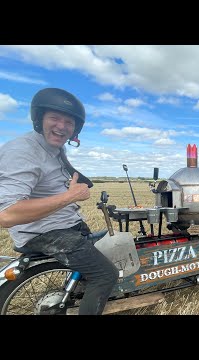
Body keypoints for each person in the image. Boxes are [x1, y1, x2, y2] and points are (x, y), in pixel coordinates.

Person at [0, 88, 118, 315]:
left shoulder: (53, 148)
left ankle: (84, 296)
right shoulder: (23, 151)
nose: (62, 127)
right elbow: (7, 214)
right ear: (39, 118)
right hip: (47, 234)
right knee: (105, 275)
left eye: (69, 122)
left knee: (110, 243)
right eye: (54, 118)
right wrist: (70, 196)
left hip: (64, 227)